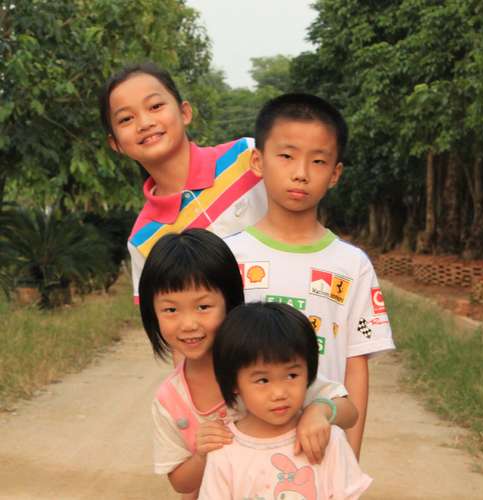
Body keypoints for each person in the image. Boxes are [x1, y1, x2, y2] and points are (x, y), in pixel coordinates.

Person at [225, 93, 395, 458]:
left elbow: (355, 367)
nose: (301, 172)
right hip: (241, 454)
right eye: (286, 156)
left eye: (318, 161)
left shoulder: (352, 265)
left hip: (321, 456)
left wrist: (350, 459)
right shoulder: (228, 258)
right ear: (258, 161)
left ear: (335, 174)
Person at [139, 229, 358, 498]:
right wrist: (202, 455)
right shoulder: (170, 400)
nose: (189, 324)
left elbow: (349, 412)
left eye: (203, 307)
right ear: (152, 314)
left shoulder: (267, 365)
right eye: (171, 310)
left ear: (229, 301)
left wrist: (319, 411)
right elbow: (181, 484)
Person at [99, 62, 267, 304]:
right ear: (116, 144)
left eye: (155, 106)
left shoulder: (247, 157)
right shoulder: (143, 239)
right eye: (126, 119)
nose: (145, 123)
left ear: (185, 112)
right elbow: (162, 317)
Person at [199, 302, 372, 499]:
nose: (279, 393)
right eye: (263, 380)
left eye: (291, 375)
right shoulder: (224, 450)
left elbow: (351, 414)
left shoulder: (328, 439)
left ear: (309, 372)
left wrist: (319, 411)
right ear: (234, 383)